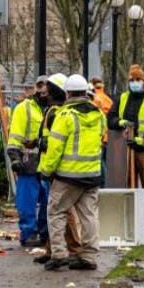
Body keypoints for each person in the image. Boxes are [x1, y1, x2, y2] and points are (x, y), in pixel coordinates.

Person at [38, 74, 103, 271]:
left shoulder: (65, 116)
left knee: (56, 212)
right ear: (85, 92)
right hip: (91, 175)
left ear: (68, 93)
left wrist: (46, 171)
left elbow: (55, 147)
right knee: (89, 215)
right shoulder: (98, 115)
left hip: (68, 176)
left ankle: (59, 254)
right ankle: (89, 255)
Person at [108, 64, 144, 241]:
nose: (134, 83)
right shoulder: (123, 98)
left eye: (137, 80)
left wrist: (143, 139)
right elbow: (111, 119)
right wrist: (120, 122)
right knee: (127, 188)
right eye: (131, 80)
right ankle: (128, 225)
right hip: (126, 150)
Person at [33, 73, 83, 264]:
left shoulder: (56, 112)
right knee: (54, 208)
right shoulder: (54, 111)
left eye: (48, 87)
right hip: (50, 165)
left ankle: (72, 248)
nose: (44, 90)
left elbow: (56, 142)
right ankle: (52, 248)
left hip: (53, 167)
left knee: (62, 209)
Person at [7, 76, 48, 248]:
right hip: (28, 162)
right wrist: (15, 158)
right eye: (39, 85)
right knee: (27, 202)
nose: (42, 90)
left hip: (46, 163)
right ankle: (29, 233)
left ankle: (44, 232)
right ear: (34, 88)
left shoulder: (53, 109)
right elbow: (15, 135)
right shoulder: (24, 108)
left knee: (48, 201)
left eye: (46, 86)